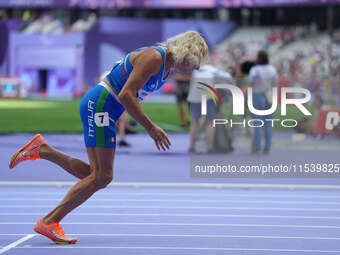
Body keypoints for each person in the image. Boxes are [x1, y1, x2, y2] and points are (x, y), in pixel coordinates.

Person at [9, 31, 208, 244]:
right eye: (196, 61)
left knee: (96, 175)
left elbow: (128, 95)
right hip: (101, 105)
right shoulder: (155, 58)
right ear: (186, 51)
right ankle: (49, 221)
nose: (196, 68)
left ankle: (42, 150)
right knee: (103, 176)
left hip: (105, 109)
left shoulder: (165, 67)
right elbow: (125, 94)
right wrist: (150, 128)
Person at [187, 63, 233, 153]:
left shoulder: (196, 71)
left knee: (195, 121)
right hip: (208, 96)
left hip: (194, 96)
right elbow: (228, 78)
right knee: (210, 122)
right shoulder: (215, 71)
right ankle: (210, 147)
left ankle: (191, 146)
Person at [249, 50, 278, 154]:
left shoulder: (255, 69)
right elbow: (275, 84)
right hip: (269, 95)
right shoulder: (272, 69)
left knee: (257, 123)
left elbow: (251, 83)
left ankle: (257, 148)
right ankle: (267, 148)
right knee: (268, 123)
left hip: (257, 95)